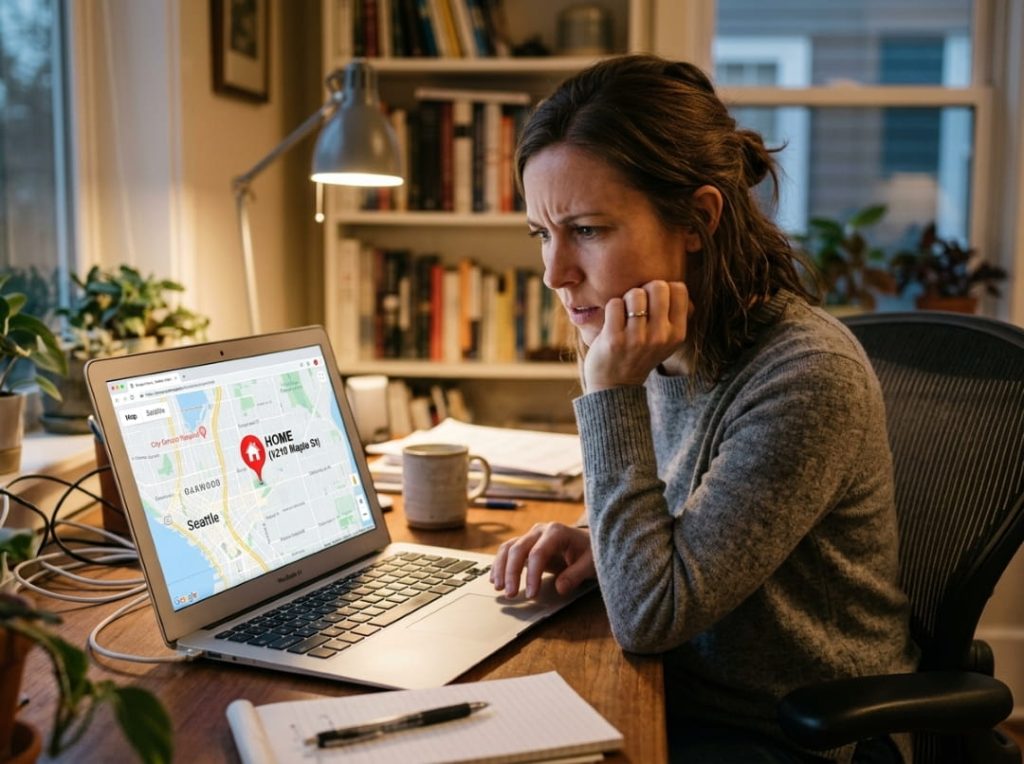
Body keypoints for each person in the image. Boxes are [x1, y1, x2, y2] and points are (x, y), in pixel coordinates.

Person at [490, 54, 919, 763]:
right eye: (543, 233)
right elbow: (691, 536)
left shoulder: (807, 376)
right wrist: (602, 545)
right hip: (686, 690)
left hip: (789, 733)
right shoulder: (659, 339)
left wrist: (611, 394)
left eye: (589, 230)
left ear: (697, 216)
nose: (554, 274)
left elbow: (652, 617)